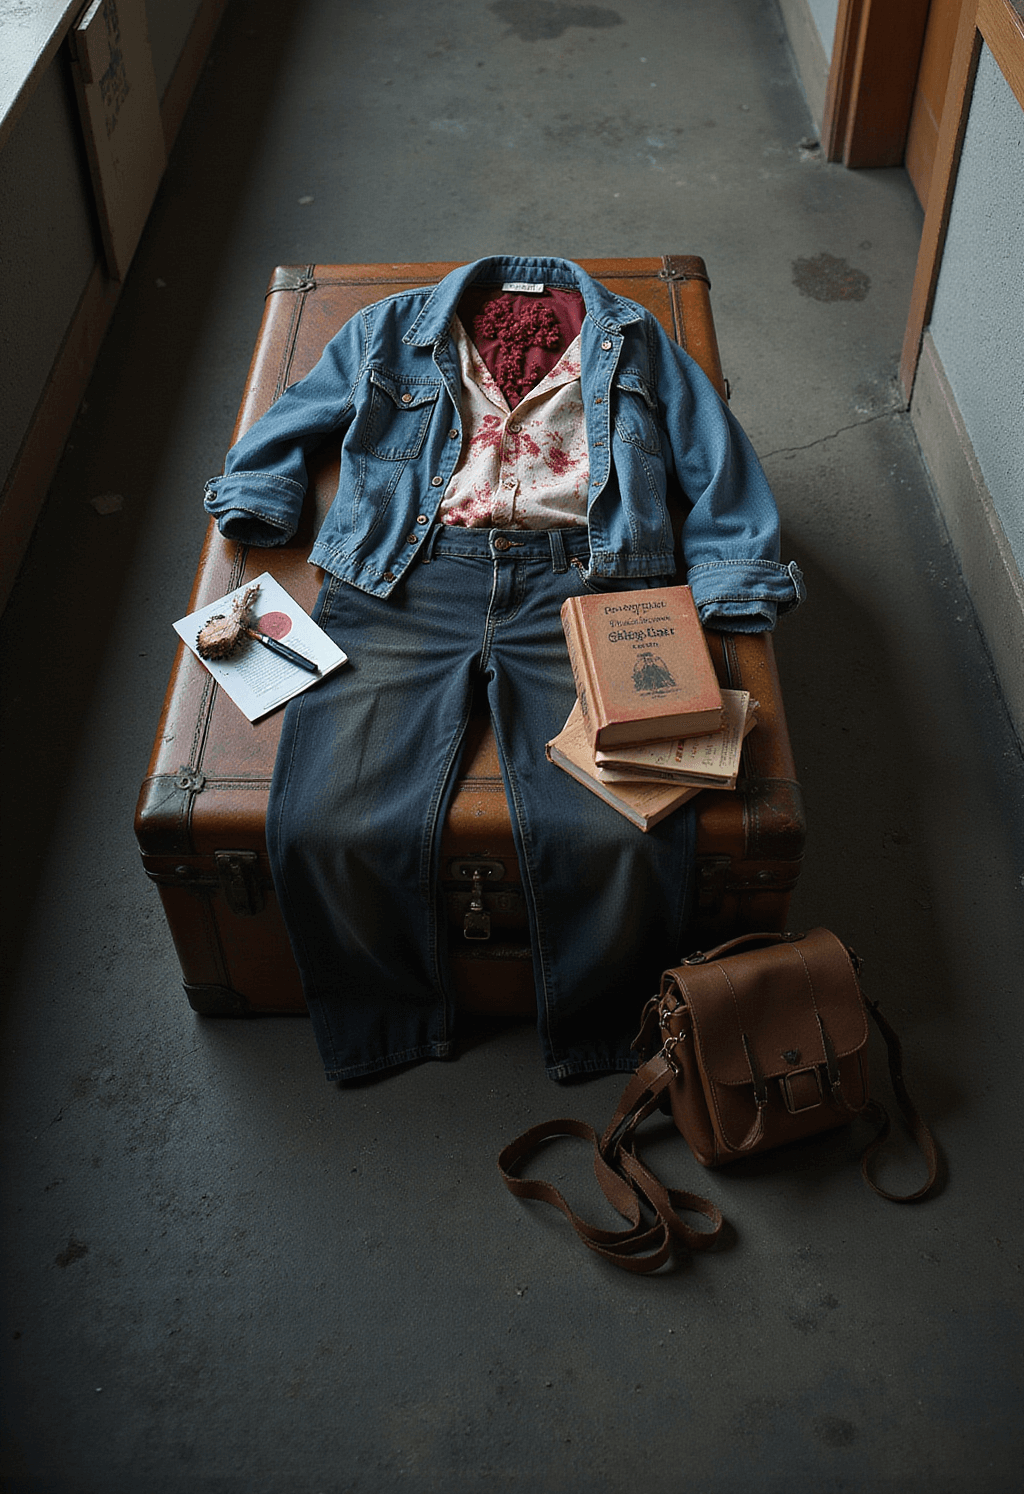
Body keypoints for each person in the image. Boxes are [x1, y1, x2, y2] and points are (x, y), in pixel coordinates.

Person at [203, 255, 804, 1083]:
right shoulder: (391, 328)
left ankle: (615, 1037)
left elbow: (712, 449)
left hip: (589, 583)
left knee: (622, 822)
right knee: (330, 817)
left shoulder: (632, 335)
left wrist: (732, 572)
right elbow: (299, 413)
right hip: (404, 578)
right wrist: (261, 494)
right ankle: (387, 1022)